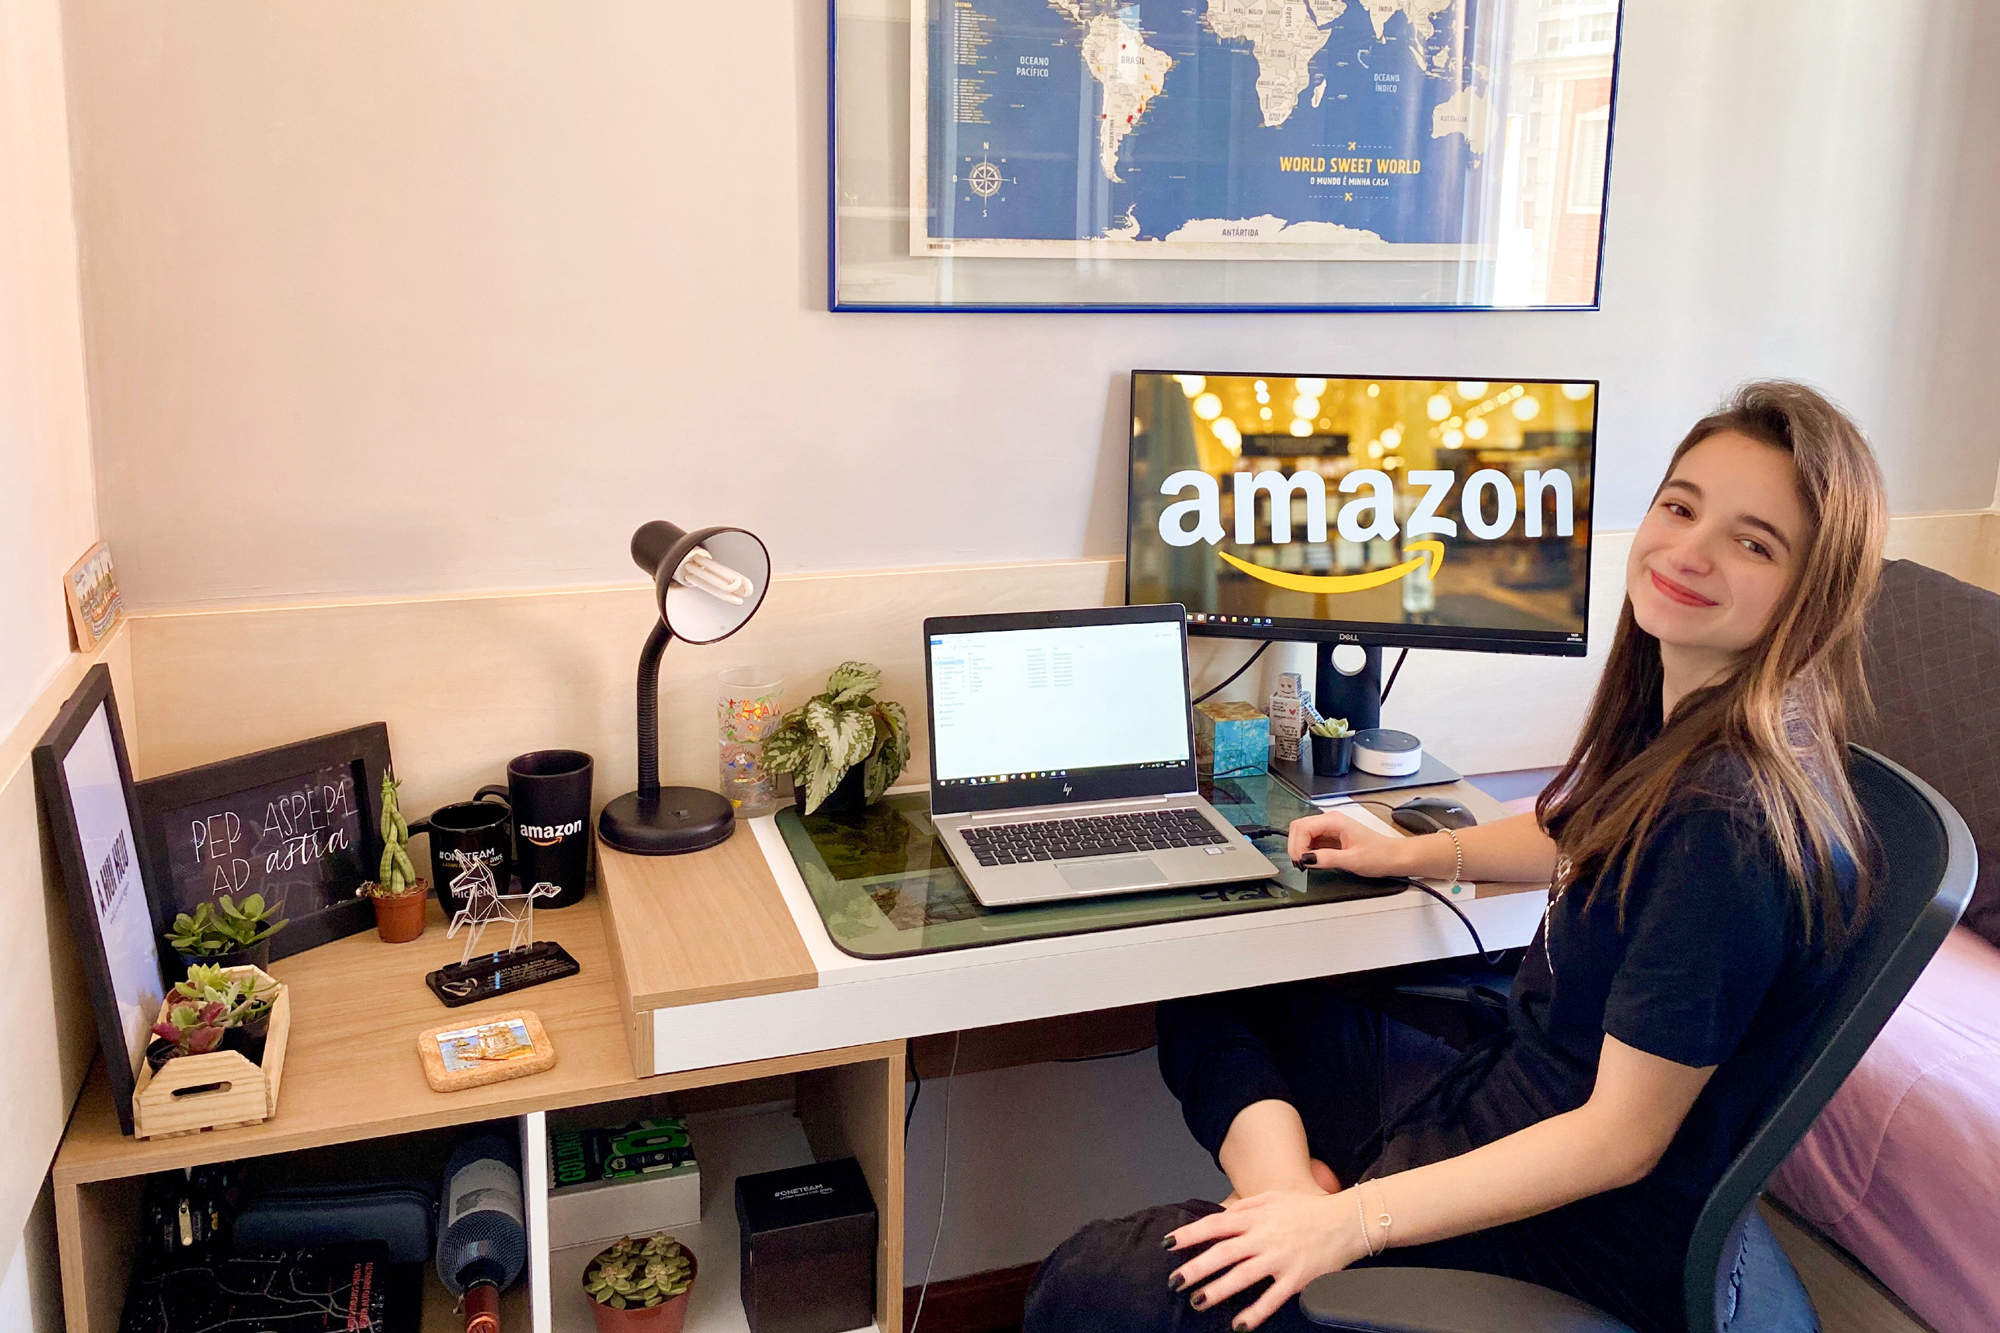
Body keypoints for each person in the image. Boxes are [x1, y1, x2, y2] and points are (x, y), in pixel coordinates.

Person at [1022, 381, 1889, 1333]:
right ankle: (1283, 1185)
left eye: (1752, 541)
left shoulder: (1730, 823)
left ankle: (1300, 1215)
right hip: (1504, 1090)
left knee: (1087, 1289)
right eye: (1681, 506)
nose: (1690, 549)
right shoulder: (1691, 721)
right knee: (1216, 986)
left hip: (1569, 1235)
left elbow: (1617, 1141)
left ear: (1815, 590)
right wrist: (1411, 851)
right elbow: (1580, 829)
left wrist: (1344, 1226)